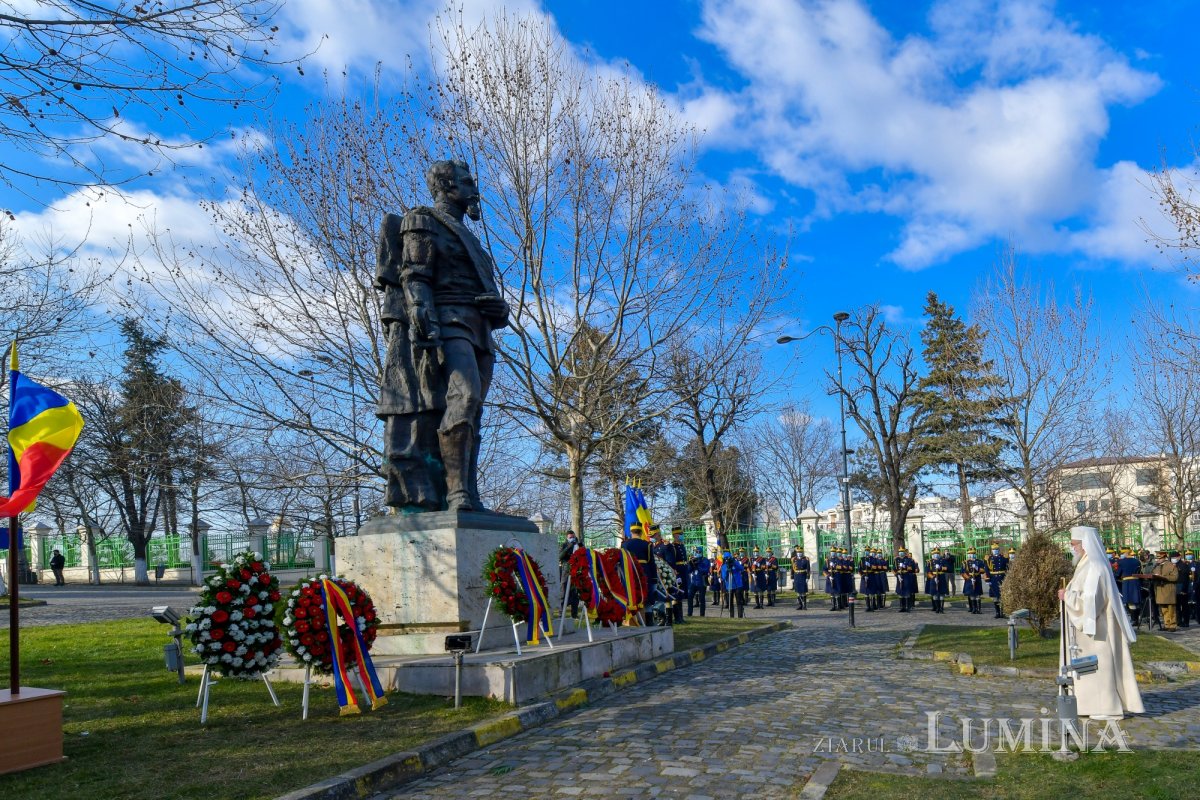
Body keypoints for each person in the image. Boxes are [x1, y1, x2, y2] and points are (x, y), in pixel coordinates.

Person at [376, 159, 511, 511]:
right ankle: (457, 494)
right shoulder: (423, 220)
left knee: (473, 411)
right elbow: (414, 276)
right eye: (466, 183)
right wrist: (424, 324)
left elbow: (485, 291)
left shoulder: (474, 242)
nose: (474, 189)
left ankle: (469, 492)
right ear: (447, 186)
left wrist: (501, 311)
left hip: (480, 329)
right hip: (448, 322)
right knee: (463, 397)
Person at [1057, 526, 1144, 719]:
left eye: (1073, 544)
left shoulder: (1094, 567)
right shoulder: (1085, 564)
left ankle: (1105, 706)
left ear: (1084, 545)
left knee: (1099, 666)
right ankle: (1088, 704)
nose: (1072, 548)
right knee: (1089, 667)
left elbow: (1092, 602)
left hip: (1097, 629)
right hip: (1090, 630)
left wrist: (1067, 596)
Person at [1150, 550, 1179, 631]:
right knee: (1163, 609)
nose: (1157, 560)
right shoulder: (1156, 566)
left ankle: (1172, 625)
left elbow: (1175, 577)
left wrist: (1164, 577)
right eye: (1157, 558)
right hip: (1159, 590)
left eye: (1159, 558)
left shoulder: (1171, 566)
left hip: (1168, 590)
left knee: (1171, 610)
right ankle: (1166, 625)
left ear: (1164, 557)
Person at [1115, 546, 1143, 625]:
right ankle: (1137, 619)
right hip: (1136, 581)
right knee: (1136, 601)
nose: (1121, 555)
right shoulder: (1137, 561)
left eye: (1122, 553)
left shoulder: (1122, 562)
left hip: (1127, 582)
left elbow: (1118, 573)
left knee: (1130, 602)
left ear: (1125, 553)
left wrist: (1115, 576)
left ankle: (1134, 620)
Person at [558, 530, 582, 619]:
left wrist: (579, 544)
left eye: (573, 537)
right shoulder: (564, 545)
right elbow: (560, 557)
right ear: (567, 538)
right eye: (570, 537)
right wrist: (569, 546)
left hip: (576, 570)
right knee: (563, 590)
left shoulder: (578, 545)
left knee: (575, 593)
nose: (572, 539)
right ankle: (561, 613)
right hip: (566, 570)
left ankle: (574, 614)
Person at [960, 549, 989, 615]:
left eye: (973, 553)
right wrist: (969, 578)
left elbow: (983, 570)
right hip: (969, 579)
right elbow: (962, 572)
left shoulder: (979, 561)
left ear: (975, 554)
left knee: (977, 594)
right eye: (970, 554)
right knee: (971, 594)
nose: (971, 555)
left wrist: (976, 568)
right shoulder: (965, 562)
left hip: (977, 578)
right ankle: (973, 609)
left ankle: (979, 609)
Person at [985, 542, 1009, 618]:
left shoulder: (1003, 558)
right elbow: (987, 569)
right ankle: (997, 612)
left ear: (999, 550)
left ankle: (1003, 612)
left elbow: (1007, 567)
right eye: (993, 549)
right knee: (995, 597)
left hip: (1002, 578)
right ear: (991, 550)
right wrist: (988, 579)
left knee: (1002, 596)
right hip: (993, 579)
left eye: (996, 549)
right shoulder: (988, 559)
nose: (995, 550)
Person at [720, 550, 747, 618]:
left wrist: (734, 563)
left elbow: (742, 568)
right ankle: (731, 616)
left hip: (738, 585)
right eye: (726, 558)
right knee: (730, 602)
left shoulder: (736, 562)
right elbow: (723, 577)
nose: (727, 560)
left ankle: (740, 616)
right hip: (729, 586)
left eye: (728, 558)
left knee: (739, 602)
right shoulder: (724, 566)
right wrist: (727, 570)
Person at [687, 546, 711, 617]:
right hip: (694, 582)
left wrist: (698, 565)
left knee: (701, 599)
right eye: (696, 552)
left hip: (701, 582)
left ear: (702, 552)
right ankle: (689, 613)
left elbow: (706, 570)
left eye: (699, 552)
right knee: (690, 597)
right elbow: (688, 571)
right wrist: (691, 564)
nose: (697, 553)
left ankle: (702, 614)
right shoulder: (693, 559)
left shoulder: (705, 560)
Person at [893, 547, 919, 612]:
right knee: (901, 592)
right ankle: (902, 607)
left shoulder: (909, 559)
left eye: (902, 552)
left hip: (906, 576)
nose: (901, 553)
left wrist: (905, 567)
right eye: (900, 552)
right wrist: (897, 575)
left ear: (904, 553)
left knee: (907, 592)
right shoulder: (896, 560)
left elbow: (912, 568)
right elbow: (893, 569)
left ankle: (908, 607)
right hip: (899, 577)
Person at [925, 547, 949, 614]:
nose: (936, 555)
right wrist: (932, 577)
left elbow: (947, 568)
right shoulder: (929, 562)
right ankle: (937, 608)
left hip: (941, 577)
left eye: (937, 553)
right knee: (935, 594)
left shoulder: (943, 560)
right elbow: (928, 572)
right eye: (935, 553)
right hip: (934, 578)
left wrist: (941, 567)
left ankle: (941, 608)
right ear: (932, 554)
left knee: (941, 593)